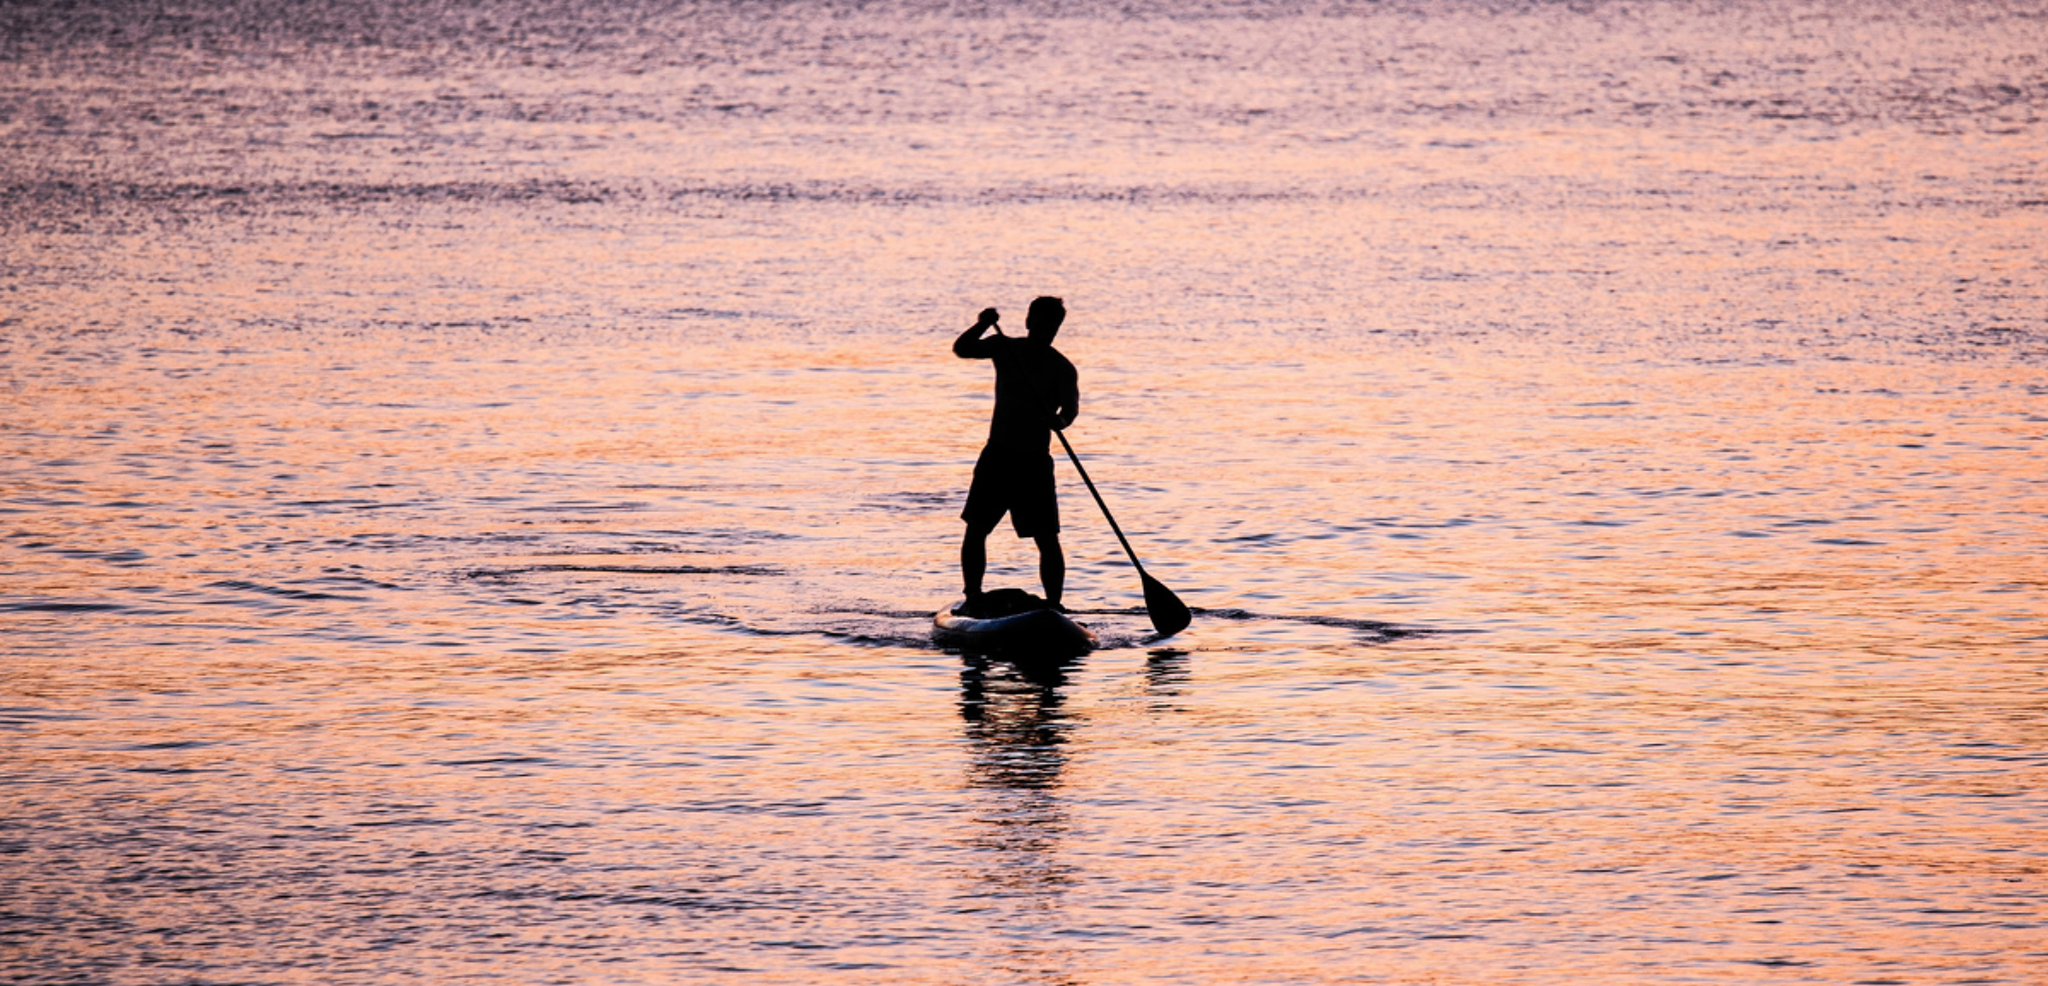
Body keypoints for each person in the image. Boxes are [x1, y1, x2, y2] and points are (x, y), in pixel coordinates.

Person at [953, 297, 1079, 615]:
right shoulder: (1005, 347)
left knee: (1047, 538)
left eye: (1052, 326)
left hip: (1034, 462)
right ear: (1028, 322)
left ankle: (1054, 605)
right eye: (1040, 323)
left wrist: (1060, 421)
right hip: (998, 456)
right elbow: (963, 349)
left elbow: (1071, 410)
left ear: (1058, 328)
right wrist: (982, 323)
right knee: (977, 528)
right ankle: (973, 596)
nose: (1046, 330)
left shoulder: (1062, 367)